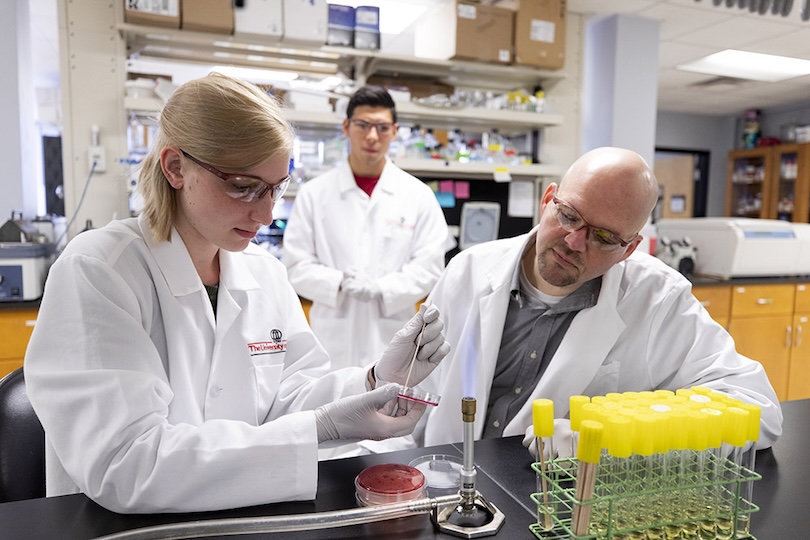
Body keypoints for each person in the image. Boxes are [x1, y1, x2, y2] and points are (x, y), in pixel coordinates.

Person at [23, 73, 450, 514]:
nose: (266, 214)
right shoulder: (99, 271)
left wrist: (373, 380)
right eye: (243, 186)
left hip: (247, 513)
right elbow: (130, 465)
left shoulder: (263, 271)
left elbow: (288, 396)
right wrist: (317, 428)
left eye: (277, 188)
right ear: (175, 168)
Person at [410, 146, 782, 454]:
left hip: (559, 502)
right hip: (449, 479)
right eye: (569, 216)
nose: (574, 242)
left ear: (629, 248)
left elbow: (757, 408)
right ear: (547, 201)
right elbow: (419, 396)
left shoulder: (658, 298)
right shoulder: (468, 269)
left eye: (603, 237)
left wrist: (613, 432)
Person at [282, 85, 449, 371]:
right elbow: (295, 265)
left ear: (394, 132)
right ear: (346, 127)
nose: (372, 136)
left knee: (390, 407)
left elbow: (430, 267)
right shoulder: (315, 194)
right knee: (328, 405)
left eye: (382, 127)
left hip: (393, 336)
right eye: (363, 125)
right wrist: (338, 283)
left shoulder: (417, 195)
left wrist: (382, 288)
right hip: (330, 341)